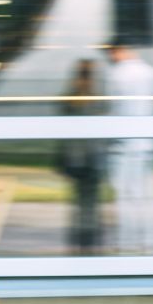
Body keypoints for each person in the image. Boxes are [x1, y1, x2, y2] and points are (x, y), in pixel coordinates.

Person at [105, 40, 153, 253]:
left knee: (125, 194)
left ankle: (127, 241)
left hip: (125, 141)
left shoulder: (118, 74)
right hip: (145, 141)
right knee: (144, 194)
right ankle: (150, 238)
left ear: (119, 51)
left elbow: (115, 107)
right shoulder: (150, 72)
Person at [57, 58, 105, 254]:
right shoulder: (95, 98)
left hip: (79, 157)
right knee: (88, 203)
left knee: (81, 202)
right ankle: (87, 241)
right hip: (90, 157)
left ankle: (82, 240)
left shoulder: (72, 98)